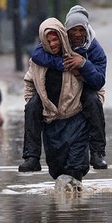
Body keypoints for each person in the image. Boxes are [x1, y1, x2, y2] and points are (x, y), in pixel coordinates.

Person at [20, 5, 108, 172]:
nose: (77, 34)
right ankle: (31, 156)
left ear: (86, 29)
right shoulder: (57, 42)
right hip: (54, 102)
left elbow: (99, 82)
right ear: (66, 32)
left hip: (83, 94)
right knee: (32, 106)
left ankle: (97, 153)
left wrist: (83, 64)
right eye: (72, 30)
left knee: (93, 101)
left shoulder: (95, 50)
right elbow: (38, 55)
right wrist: (63, 65)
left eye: (81, 29)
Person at [23, 17, 90, 181]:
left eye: (55, 39)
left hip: (76, 120)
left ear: (62, 37)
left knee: (75, 170)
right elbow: (29, 83)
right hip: (52, 122)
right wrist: (35, 105)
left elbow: (96, 84)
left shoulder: (78, 56)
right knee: (58, 171)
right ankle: (31, 157)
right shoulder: (38, 60)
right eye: (48, 41)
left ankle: (98, 153)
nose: (53, 44)